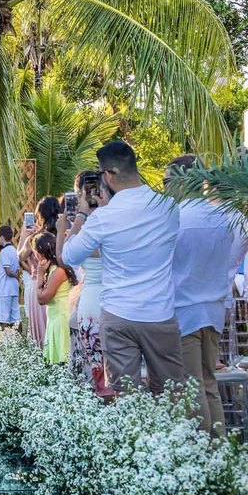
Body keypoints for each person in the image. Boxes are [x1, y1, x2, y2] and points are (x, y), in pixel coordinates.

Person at [62, 141, 184, 394]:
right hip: (159, 312)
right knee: (170, 394)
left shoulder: (105, 217)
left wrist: (84, 213)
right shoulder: (168, 207)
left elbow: (69, 255)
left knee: (126, 398)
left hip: (118, 313)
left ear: (108, 174)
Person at [166, 155, 240, 437]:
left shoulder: (176, 219)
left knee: (192, 383)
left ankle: (201, 447)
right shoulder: (223, 217)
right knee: (208, 381)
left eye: (168, 181)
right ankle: (217, 443)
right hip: (214, 308)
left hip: (184, 309)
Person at [61, 172, 111, 396]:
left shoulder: (86, 226)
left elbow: (66, 255)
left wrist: (79, 216)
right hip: (115, 300)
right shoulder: (115, 217)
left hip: (93, 300)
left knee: (97, 370)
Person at [19, 196, 59, 346]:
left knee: (40, 335)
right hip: (60, 284)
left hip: (39, 284)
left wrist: (26, 235)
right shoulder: (61, 234)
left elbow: (21, 255)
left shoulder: (37, 237)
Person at [34, 232, 76, 363]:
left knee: (62, 361)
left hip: (61, 318)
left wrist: (39, 275)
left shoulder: (58, 271)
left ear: (42, 252)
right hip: (54, 316)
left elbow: (42, 299)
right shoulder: (52, 269)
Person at [0, 225, 21, 327]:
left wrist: (15, 276)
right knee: (16, 317)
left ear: (2, 237)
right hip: (13, 289)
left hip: (4, 290)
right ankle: (19, 340)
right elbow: (17, 269)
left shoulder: (4, 251)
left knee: (3, 318)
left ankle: (4, 341)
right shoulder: (14, 250)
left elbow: (8, 271)